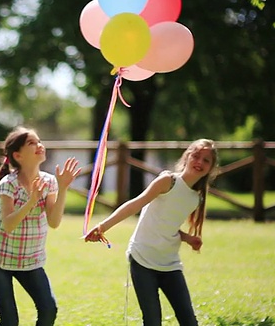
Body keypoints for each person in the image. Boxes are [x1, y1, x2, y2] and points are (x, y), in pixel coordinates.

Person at [85, 139, 219, 326]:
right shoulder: (168, 181)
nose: (199, 162)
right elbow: (135, 204)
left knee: (189, 321)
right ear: (187, 157)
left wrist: (188, 238)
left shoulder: (196, 198)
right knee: (152, 321)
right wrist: (103, 226)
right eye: (196, 156)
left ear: (211, 167)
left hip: (170, 264)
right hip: (143, 259)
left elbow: (167, 224)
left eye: (206, 160)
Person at [0, 126, 81, 326]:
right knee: (9, 320)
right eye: (32, 143)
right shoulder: (8, 184)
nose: (39, 145)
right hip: (0, 258)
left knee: (49, 310)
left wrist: (62, 189)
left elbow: (54, 222)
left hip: (30, 260)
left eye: (39, 141)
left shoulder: (50, 182)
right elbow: (9, 224)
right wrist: (31, 200)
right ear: (18, 155)